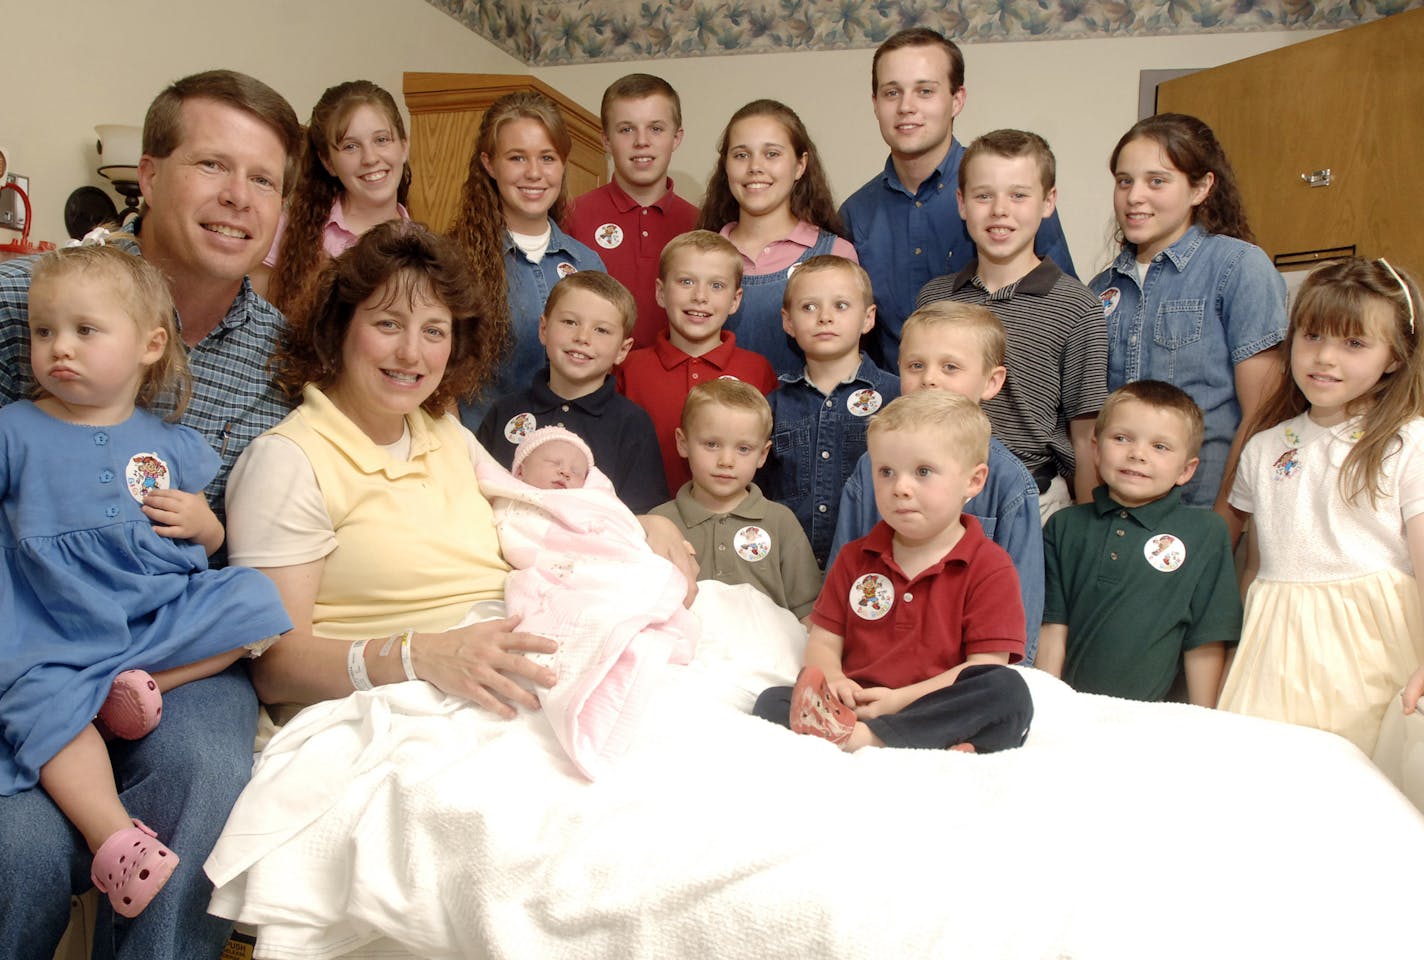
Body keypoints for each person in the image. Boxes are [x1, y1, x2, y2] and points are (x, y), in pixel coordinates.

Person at [0, 69, 301, 959]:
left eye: (264, 180)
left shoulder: (283, 357)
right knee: (21, 848)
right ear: (152, 173)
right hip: (37, 622)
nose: (237, 199)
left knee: (205, 772)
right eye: (214, 164)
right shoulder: (30, 301)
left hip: (166, 634)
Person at [225, 220, 695, 722]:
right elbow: (274, 668)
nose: (412, 353)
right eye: (388, 324)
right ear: (339, 326)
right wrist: (421, 656)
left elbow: (541, 508)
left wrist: (649, 524)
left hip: (511, 662)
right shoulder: (288, 461)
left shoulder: (444, 433)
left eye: (434, 331)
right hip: (404, 703)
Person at [1219, 258, 1424, 755]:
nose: (1325, 357)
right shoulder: (1265, 447)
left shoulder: (1407, 441)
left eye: (1353, 343)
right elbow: (1254, 564)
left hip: (1371, 644)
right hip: (1276, 643)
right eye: (1312, 336)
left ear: (1395, 357)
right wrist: (1234, 651)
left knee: (1368, 780)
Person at [752, 391, 1033, 753]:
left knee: (1007, 692)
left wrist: (897, 702)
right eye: (886, 472)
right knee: (770, 701)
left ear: (974, 481)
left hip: (936, 703)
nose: (900, 488)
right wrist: (835, 679)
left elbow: (984, 665)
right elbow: (823, 641)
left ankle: (871, 741)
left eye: (923, 472)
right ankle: (915, 741)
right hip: (857, 702)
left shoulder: (990, 566)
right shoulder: (855, 557)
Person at [839, 28, 1076, 370]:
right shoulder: (856, 214)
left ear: (957, 99)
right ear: (875, 104)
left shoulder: (1009, 201)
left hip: (1010, 413)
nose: (907, 107)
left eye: (925, 91)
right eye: (892, 92)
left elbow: (1063, 309)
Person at [1089, 113, 1287, 518]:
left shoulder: (1238, 267)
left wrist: (1224, 525)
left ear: (1201, 187)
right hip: (1116, 516)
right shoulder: (1100, 289)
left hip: (1202, 509)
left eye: (1156, 181)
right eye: (1125, 180)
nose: (1134, 196)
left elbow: (1263, 415)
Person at [476, 426, 697, 779]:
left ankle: (637, 622)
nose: (566, 471)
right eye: (553, 462)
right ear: (519, 472)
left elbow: (617, 530)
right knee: (577, 609)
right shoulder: (513, 500)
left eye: (577, 470)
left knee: (626, 581)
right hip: (555, 567)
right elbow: (519, 539)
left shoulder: (593, 502)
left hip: (601, 561)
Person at [828, 302, 1044, 662]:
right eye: (916, 365)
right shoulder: (871, 468)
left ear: (991, 382)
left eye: (950, 367)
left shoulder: (1010, 484)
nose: (929, 378)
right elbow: (840, 577)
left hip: (960, 670)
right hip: (872, 656)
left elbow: (1022, 613)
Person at [917, 130, 1106, 521]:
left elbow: (1086, 434)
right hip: (939, 491)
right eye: (984, 196)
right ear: (962, 203)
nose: (1000, 210)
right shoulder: (935, 299)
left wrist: (1090, 532)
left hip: (1034, 499)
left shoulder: (1077, 306)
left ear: (1048, 202)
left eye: (1018, 195)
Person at [1038, 381, 1240, 703]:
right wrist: (1047, 708)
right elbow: (1052, 629)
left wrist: (1205, 720)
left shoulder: (1205, 533)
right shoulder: (1064, 526)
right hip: (1072, 715)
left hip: (1154, 724)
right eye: (1121, 438)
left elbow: (1205, 641)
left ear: (1186, 470)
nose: (1137, 454)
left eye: (1160, 446)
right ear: (1095, 449)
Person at [449, 90, 604, 427]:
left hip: (571, 459)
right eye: (517, 158)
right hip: (482, 456)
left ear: (563, 163)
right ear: (489, 164)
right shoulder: (453, 260)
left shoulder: (588, 265)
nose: (534, 173)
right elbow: (438, 376)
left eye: (547, 158)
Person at [476, 271, 667, 512]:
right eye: (570, 322)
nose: (582, 337)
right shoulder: (505, 411)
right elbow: (475, 494)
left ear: (623, 349)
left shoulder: (632, 425)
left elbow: (642, 518)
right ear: (544, 329)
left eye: (601, 330)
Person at [696, 99, 856, 376]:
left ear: (800, 165)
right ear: (725, 166)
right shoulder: (700, 256)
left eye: (771, 154)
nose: (755, 167)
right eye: (741, 155)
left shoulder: (836, 254)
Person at [759, 255, 898, 566]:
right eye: (809, 307)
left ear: (868, 318)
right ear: (788, 322)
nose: (824, 317)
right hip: (792, 571)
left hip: (875, 568)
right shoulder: (772, 407)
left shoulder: (898, 399)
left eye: (841, 305)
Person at [617, 229, 776, 494]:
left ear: (735, 300)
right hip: (644, 522)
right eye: (686, 282)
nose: (700, 296)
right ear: (660, 292)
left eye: (716, 285)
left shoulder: (757, 370)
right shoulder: (629, 368)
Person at [651, 379, 821, 620]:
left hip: (771, 653)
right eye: (712, 444)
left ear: (763, 455)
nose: (726, 461)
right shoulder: (660, 523)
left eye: (743, 449)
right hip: (684, 652)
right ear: (683, 443)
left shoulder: (780, 521)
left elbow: (809, 612)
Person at [565, 74, 698, 349]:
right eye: (626, 129)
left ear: (677, 137)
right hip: (591, 384)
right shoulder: (571, 216)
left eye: (656, 129)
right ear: (605, 139)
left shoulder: (701, 224)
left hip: (676, 385)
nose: (641, 141)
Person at [261, 80, 412, 319]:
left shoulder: (423, 249)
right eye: (350, 146)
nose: (370, 158)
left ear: (404, 147)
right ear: (328, 162)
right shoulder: (283, 231)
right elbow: (252, 332)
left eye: (381, 140)